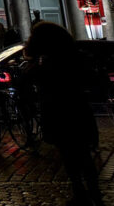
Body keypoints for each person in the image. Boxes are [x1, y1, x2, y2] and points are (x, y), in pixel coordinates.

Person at [23, 22, 102, 206]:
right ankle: (92, 194)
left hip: (59, 112)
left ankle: (83, 193)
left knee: (71, 154)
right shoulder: (73, 57)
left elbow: (31, 76)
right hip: (78, 110)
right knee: (81, 155)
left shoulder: (47, 63)